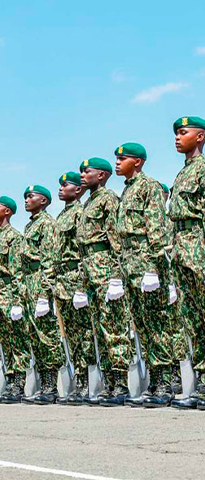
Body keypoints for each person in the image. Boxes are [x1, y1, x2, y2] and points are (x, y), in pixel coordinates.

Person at [113, 143, 181, 408]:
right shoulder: (127, 190)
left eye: (123, 158)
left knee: (157, 324)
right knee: (141, 324)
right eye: (116, 159)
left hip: (145, 261)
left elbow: (156, 227)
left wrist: (154, 268)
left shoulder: (148, 186)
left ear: (138, 162)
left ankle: (165, 383)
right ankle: (154, 381)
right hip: (130, 263)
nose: (118, 162)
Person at [77, 157, 131, 407]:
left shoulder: (108, 199)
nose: (82, 175)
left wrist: (117, 277)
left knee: (114, 325)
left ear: (101, 175)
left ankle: (120, 382)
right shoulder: (89, 202)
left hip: (105, 266)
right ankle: (109, 381)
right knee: (99, 327)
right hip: (90, 268)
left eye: (87, 171)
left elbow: (116, 237)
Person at [168, 116, 205, 410]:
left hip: (199, 248)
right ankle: (202, 383)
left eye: (183, 133)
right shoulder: (181, 174)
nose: (178, 138)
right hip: (182, 250)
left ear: (200, 136)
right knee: (193, 320)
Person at [51, 172, 90, 406]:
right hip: (62, 280)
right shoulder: (62, 216)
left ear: (78, 190)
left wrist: (81, 285)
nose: (61, 188)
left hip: (75, 276)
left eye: (65, 185)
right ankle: (79, 378)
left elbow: (82, 251)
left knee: (84, 331)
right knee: (72, 334)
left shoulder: (80, 213)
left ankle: (88, 380)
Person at [20, 185, 61, 405]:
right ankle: (43, 381)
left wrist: (45, 294)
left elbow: (49, 259)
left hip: (39, 282)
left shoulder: (47, 224)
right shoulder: (30, 225)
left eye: (31, 196)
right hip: (29, 282)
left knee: (46, 334)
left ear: (43, 201)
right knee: (34, 335)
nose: (27, 200)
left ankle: (50, 385)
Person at [0, 196, 27, 404]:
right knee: (3, 339)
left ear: (8, 211)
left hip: (10, 292)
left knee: (16, 338)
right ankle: (10, 378)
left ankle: (19, 381)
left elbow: (18, 270)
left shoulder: (14, 237)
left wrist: (18, 301)